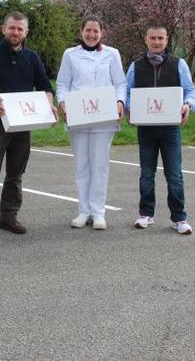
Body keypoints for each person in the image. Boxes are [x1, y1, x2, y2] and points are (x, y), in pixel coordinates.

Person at [0, 12, 58, 245]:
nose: (15, 32)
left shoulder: (32, 57)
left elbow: (46, 86)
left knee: (15, 175)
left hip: (22, 127)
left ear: (26, 33)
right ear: (3, 29)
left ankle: (9, 218)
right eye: (11, 28)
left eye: (20, 29)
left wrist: (49, 105)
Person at [125, 26, 195, 235]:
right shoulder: (135, 66)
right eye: (152, 38)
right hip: (146, 129)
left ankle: (179, 218)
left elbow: (190, 90)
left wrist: (187, 105)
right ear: (146, 40)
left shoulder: (178, 64)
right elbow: (127, 91)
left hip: (170, 129)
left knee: (174, 174)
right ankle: (145, 214)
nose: (156, 42)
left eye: (160, 38)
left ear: (167, 40)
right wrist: (129, 108)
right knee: (146, 174)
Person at [56, 16, 127, 230]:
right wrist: (62, 103)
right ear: (81, 31)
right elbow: (62, 84)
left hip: (104, 117)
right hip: (78, 116)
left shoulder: (112, 54)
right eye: (88, 30)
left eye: (96, 31)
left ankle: (98, 213)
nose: (91, 35)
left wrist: (120, 101)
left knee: (100, 165)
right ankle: (83, 211)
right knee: (82, 165)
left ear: (101, 33)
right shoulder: (70, 54)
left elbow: (120, 83)